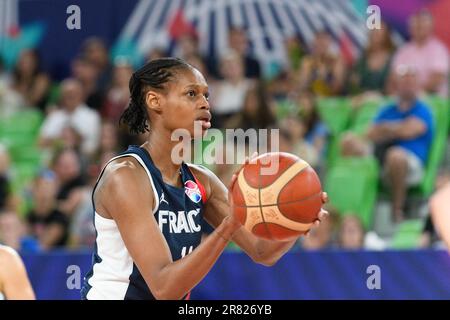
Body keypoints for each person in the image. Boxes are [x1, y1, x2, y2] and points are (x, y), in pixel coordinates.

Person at [81, 58, 328, 300]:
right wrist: (227, 227)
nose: (205, 103)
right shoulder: (125, 176)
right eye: (191, 94)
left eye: (206, 95)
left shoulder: (201, 180)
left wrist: (297, 217)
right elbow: (164, 288)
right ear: (155, 101)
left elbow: (262, 251)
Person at [341, 65, 433, 223]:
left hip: (410, 163)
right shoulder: (388, 108)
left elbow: (413, 129)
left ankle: (397, 210)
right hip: (380, 154)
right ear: (397, 84)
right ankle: (349, 210)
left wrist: (386, 129)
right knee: (348, 141)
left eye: (411, 82)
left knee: (395, 156)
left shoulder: (423, 109)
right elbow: (370, 133)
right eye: (404, 82)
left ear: (417, 85)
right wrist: (398, 128)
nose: (407, 85)